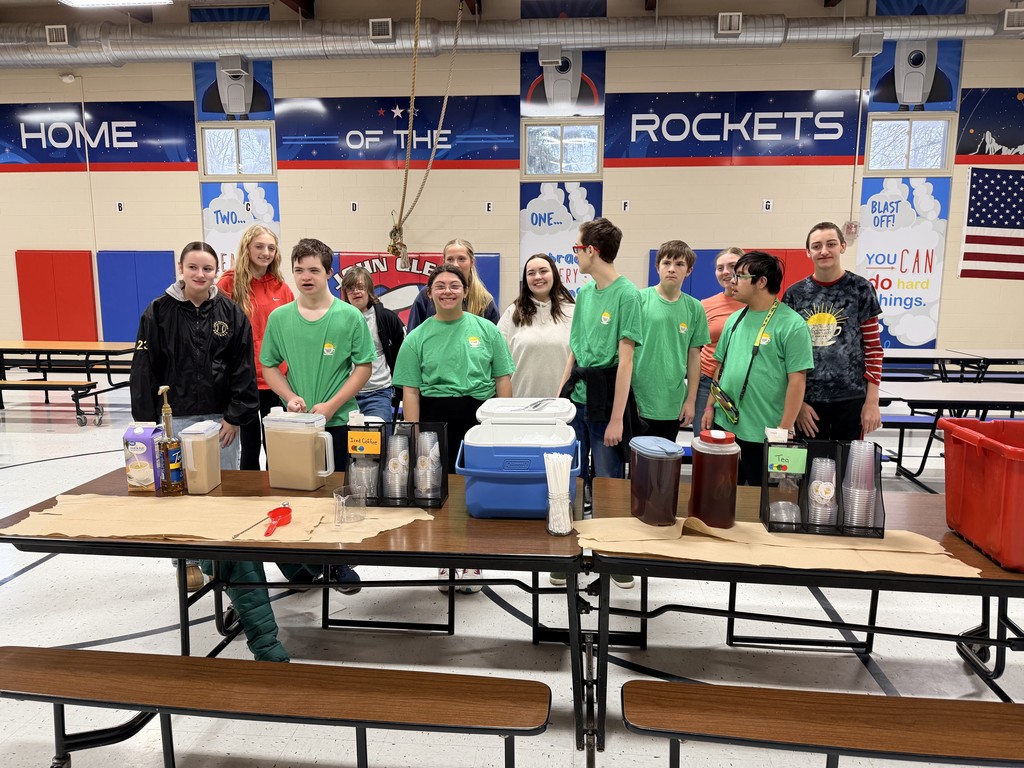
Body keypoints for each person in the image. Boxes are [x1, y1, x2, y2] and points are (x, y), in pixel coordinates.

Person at [131, 242, 286, 662]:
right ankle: (192, 561)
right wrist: (147, 425)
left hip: (220, 421)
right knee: (179, 499)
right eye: (194, 267)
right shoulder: (157, 312)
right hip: (174, 419)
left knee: (221, 501)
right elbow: (144, 368)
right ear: (180, 268)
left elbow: (241, 367)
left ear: (219, 270)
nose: (201, 274)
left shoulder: (230, 312)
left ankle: (229, 571)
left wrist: (236, 416)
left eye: (208, 268)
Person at [261, 238, 376, 596]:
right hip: (295, 428)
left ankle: (336, 563)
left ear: (329, 273)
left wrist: (331, 404)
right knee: (294, 495)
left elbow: (363, 367)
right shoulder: (280, 318)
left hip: (340, 423)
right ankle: (300, 563)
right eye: (298, 270)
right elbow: (268, 365)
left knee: (336, 495)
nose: (305, 277)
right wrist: (289, 395)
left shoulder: (349, 316)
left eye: (313, 269)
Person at [393, 264, 515, 594]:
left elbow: (503, 379)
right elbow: (411, 391)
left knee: (475, 491)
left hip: (478, 418)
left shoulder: (487, 330)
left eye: (454, 285)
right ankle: (445, 561)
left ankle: (474, 561)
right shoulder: (416, 337)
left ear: (465, 291)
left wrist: (501, 424)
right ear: (429, 293)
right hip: (435, 418)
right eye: (440, 286)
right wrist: (415, 435)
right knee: (439, 493)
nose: (447, 291)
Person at [558, 218, 644, 590]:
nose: (576, 254)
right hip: (577, 400)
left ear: (591, 250)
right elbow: (574, 352)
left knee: (609, 480)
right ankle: (567, 555)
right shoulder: (586, 294)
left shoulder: (628, 295)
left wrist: (616, 420)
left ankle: (614, 557)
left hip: (607, 399)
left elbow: (625, 362)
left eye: (578, 248)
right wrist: (559, 400)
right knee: (570, 479)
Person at [701, 251, 814, 486]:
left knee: (760, 497)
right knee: (722, 491)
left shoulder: (792, 325)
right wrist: (710, 407)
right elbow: (719, 366)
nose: (733, 281)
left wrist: (784, 429)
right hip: (726, 422)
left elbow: (797, 380)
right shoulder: (735, 319)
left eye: (740, 276)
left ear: (761, 282)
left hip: (764, 431)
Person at [782, 222, 884, 441]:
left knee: (846, 469)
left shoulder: (861, 289)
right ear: (808, 252)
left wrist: (872, 401)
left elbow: (873, 349)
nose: (824, 251)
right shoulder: (794, 294)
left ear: (843, 247)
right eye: (817, 246)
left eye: (831, 244)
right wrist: (796, 404)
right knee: (808, 470)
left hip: (851, 398)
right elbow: (785, 355)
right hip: (808, 399)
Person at [217, 224, 294, 470]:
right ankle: (249, 498)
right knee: (250, 445)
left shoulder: (281, 287)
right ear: (247, 248)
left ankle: (277, 493)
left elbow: (291, 331)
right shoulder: (228, 285)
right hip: (244, 380)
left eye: (271, 247)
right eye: (259, 246)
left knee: (276, 444)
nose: (266, 252)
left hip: (275, 379)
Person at [632, 240, 710, 442]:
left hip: (672, 403)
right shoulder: (638, 300)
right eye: (666, 263)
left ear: (689, 270)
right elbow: (624, 351)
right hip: (638, 400)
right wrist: (627, 398)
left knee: (664, 465)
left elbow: (694, 358)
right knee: (637, 465)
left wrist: (691, 401)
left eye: (679, 264)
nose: (672, 269)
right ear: (657, 267)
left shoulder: (695, 308)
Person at [497, 253, 575, 398]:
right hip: (520, 405)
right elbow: (497, 361)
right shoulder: (513, 313)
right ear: (526, 280)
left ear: (554, 275)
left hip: (564, 405)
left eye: (543, 271)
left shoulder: (573, 311)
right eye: (531, 273)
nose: (538, 277)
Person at [340, 266, 405, 422]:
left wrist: (400, 391)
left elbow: (401, 356)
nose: (356, 291)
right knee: (346, 445)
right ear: (345, 293)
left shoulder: (387, 318)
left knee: (377, 442)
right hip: (344, 395)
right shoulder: (337, 320)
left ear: (369, 289)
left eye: (361, 287)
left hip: (378, 393)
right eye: (350, 288)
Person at [695, 247, 745, 421]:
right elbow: (694, 348)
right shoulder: (705, 305)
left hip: (741, 382)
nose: (725, 272)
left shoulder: (755, 304)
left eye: (732, 265)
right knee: (704, 438)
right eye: (720, 268)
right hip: (706, 381)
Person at [406, 238, 500, 331]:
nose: (455, 264)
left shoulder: (484, 301)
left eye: (461, 259)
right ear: (444, 262)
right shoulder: (427, 294)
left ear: (472, 262)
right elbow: (413, 335)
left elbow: (495, 339)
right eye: (450, 259)